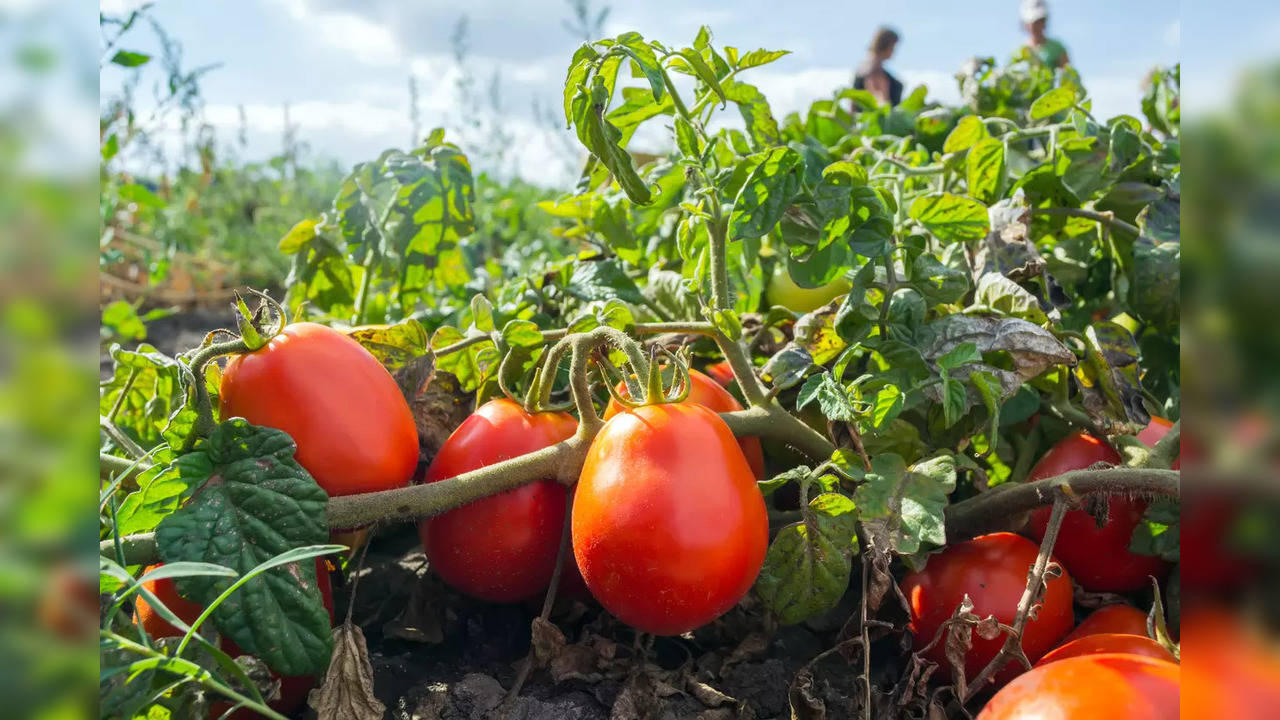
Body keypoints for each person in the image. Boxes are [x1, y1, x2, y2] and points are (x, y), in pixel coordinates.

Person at [853, 27, 902, 107]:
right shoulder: (875, 70)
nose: (894, 51)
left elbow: (852, 106)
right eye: (893, 47)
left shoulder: (863, 69)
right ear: (886, 45)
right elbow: (880, 101)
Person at [1020, 0, 1070, 68]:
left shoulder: (1057, 48)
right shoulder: (1019, 53)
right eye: (1034, 23)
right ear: (1026, 25)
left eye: (1041, 21)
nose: (1038, 26)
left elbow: (1067, 74)